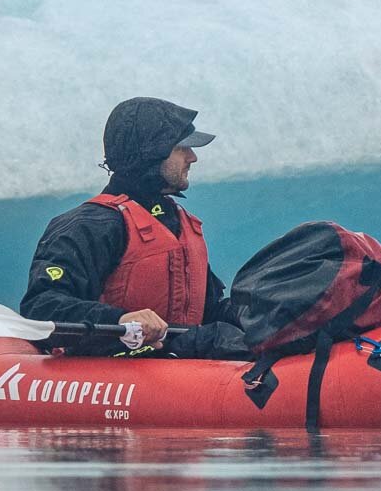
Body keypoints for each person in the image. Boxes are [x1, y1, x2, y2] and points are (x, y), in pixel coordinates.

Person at [20, 97, 246, 358]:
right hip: (112, 379)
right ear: (152, 151)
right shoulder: (89, 226)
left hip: (182, 375)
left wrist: (264, 313)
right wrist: (121, 320)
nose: (193, 157)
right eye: (182, 148)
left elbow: (207, 312)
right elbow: (41, 307)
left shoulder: (177, 222)